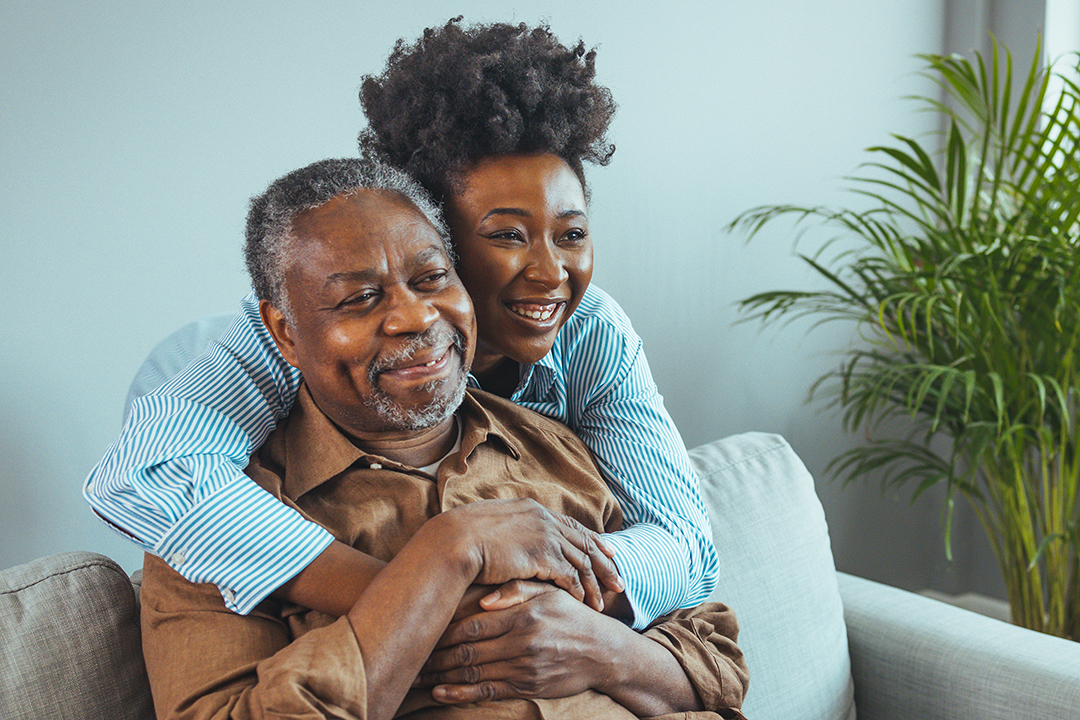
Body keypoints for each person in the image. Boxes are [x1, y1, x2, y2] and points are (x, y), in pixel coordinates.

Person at [84, 19, 717, 631]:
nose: (552, 273)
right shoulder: (289, 340)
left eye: (571, 234)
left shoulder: (592, 330)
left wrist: (544, 601)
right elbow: (146, 473)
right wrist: (422, 598)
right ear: (429, 236)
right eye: (506, 236)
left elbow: (686, 544)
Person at [140, 157, 747, 720]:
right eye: (360, 298)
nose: (416, 316)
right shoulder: (211, 524)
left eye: (432, 278)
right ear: (285, 332)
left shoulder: (554, 442)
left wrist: (597, 646)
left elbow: (717, 664)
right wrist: (446, 556)